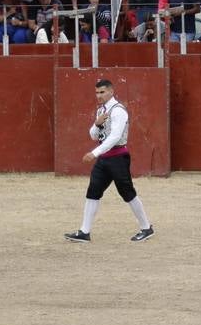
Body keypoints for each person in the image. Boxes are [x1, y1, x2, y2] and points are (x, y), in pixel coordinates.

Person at [64, 78, 155, 243]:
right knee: (93, 192)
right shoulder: (101, 111)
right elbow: (93, 135)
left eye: (102, 92)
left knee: (127, 193)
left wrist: (95, 152)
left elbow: (115, 137)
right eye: (97, 92)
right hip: (104, 159)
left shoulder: (119, 110)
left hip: (118, 158)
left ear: (111, 92)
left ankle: (146, 227)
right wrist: (97, 124)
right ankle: (84, 231)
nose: (99, 95)